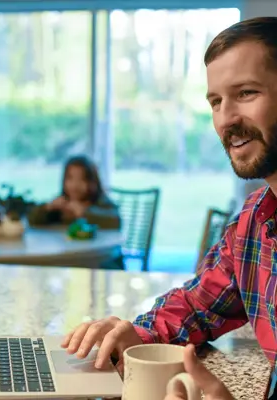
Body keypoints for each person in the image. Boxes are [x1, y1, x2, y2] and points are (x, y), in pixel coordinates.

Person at [62, 16, 277, 399]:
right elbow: (198, 304)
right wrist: (136, 333)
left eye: (245, 93)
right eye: (215, 101)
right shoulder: (254, 221)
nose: (226, 118)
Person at [28, 155, 120, 229]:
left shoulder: (101, 202)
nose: (75, 185)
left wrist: (83, 213)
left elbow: (115, 221)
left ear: (92, 183)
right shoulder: (62, 204)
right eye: (70, 178)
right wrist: (48, 207)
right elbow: (32, 219)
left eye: (82, 179)